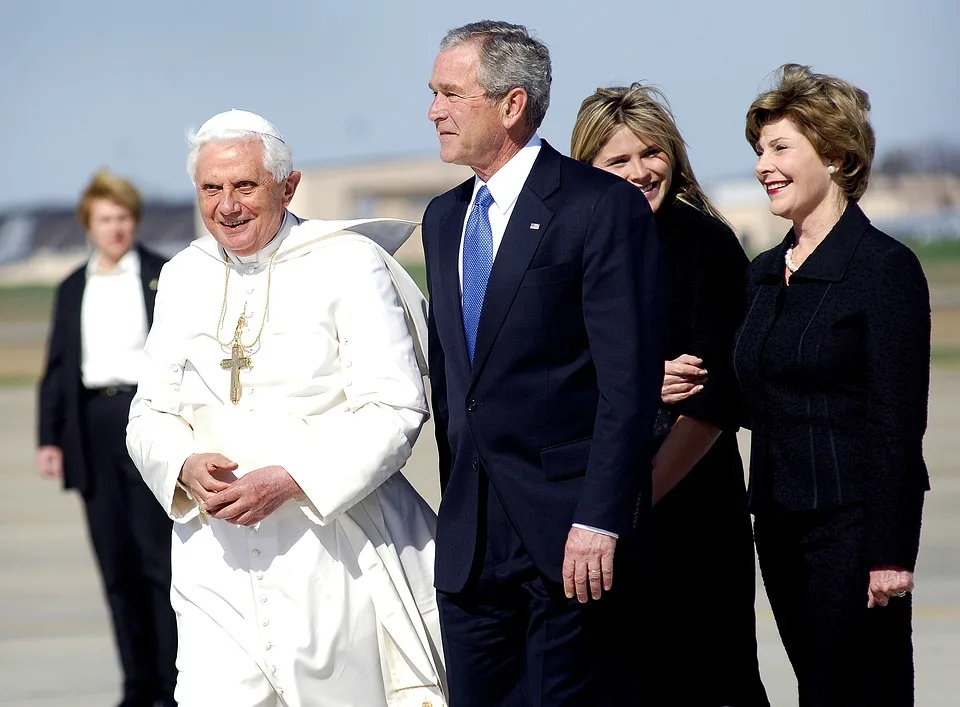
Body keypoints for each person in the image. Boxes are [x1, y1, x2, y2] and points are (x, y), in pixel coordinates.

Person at [125, 109, 446, 707]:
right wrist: (182, 464)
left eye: (245, 186)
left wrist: (294, 478)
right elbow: (149, 413)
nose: (227, 206)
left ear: (288, 187)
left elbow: (396, 407)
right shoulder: (182, 275)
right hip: (213, 558)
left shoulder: (350, 263)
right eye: (211, 189)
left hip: (331, 548)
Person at [423, 21, 666, 706]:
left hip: (568, 537)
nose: (434, 110)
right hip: (471, 545)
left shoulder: (599, 206)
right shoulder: (444, 218)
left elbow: (629, 385)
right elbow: (456, 384)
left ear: (511, 104)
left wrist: (601, 516)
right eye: (432, 92)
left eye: (450, 93)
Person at [733, 64, 931, 706]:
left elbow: (898, 423)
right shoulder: (764, 273)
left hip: (852, 533)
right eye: (759, 150)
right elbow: (751, 394)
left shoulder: (883, 269)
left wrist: (890, 552)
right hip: (781, 528)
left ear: (838, 156)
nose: (764, 164)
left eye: (780, 147)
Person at [571, 83, 769, 706]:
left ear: (675, 156)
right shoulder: (567, 250)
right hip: (595, 511)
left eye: (650, 153)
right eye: (617, 161)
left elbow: (714, 401)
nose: (639, 171)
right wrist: (633, 384)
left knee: (712, 680)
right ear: (588, 170)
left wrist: (633, 507)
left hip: (690, 508)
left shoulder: (706, 244)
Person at [36, 169, 178, 707]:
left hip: (148, 420)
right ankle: (136, 688)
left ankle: (171, 689)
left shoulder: (164, 276)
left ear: (134, 221)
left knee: (157, 566)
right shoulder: (74, 286)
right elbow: (57, 368)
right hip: (93, 425)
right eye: (104, 220)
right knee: (116, 568)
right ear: (88, 226)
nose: (115, 228)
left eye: (122, 218)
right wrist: (49, 438)